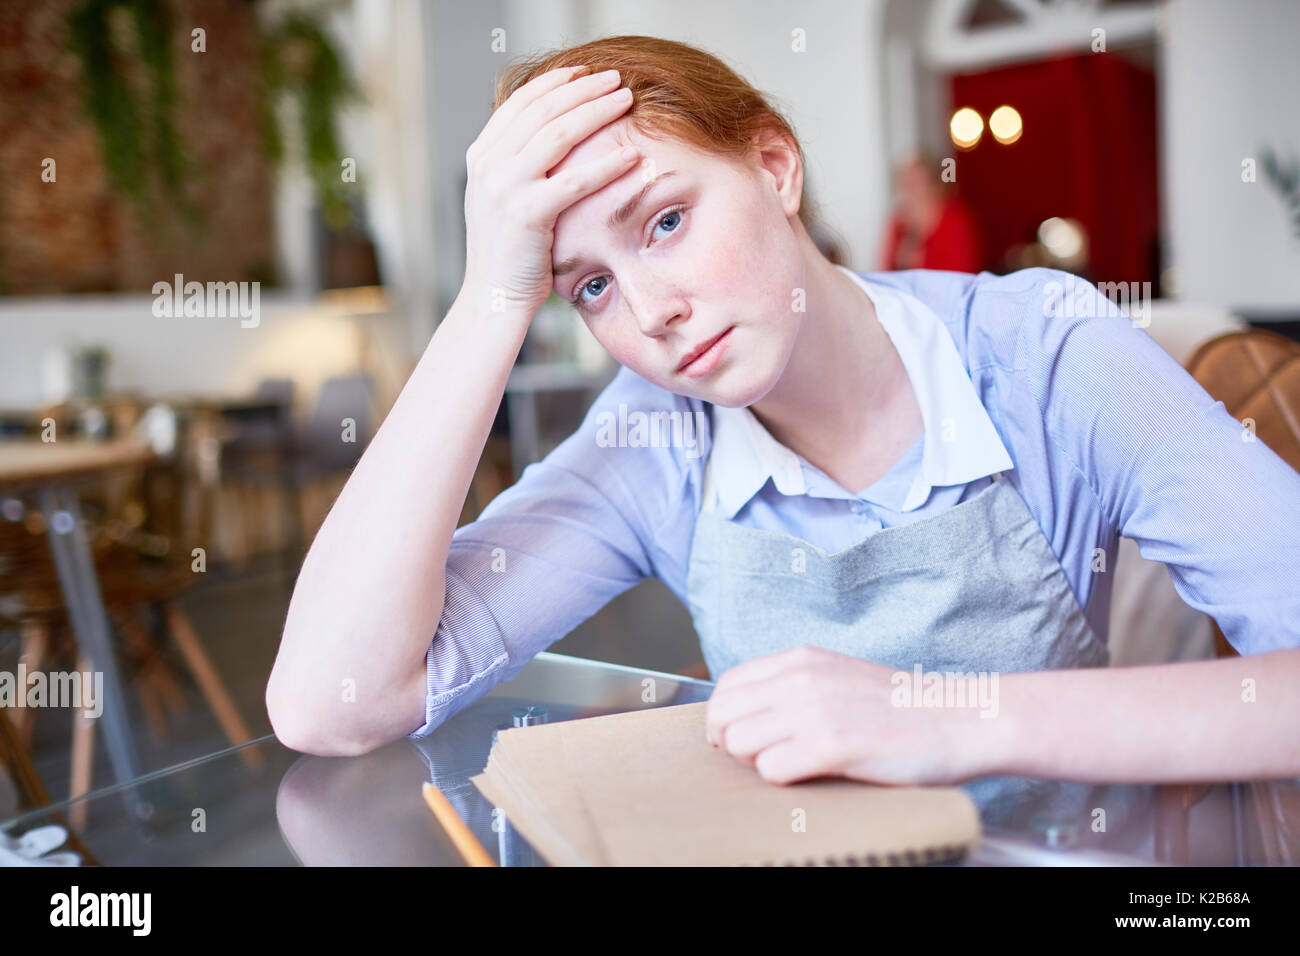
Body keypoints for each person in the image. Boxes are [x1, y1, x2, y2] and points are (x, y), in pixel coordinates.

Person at [266, 36, 1300, 795]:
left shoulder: (1044, 355)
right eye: (586, 287)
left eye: (666, 220)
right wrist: (488, 299)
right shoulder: (651, 433)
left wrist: (940, 716)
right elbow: (333, 700)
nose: (652, 311)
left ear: (774, 167)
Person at [880, 152, 982, 272]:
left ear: (933, 185)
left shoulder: (955, 221)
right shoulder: (898, 225)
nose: (909, 190)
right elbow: (886, 272)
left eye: (915, 182)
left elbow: (963, 275)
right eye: (904, 183)